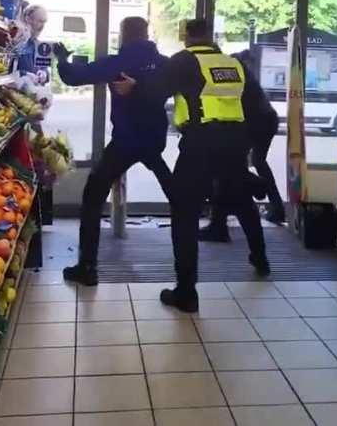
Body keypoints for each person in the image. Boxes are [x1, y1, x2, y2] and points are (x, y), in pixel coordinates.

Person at [114, 18, 270, 313]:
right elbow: (253, 105)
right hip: (235, 143)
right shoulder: (233, 64)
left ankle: (186, 291)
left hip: (200, 144)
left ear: (187, 37)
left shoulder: (184, 61)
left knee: (184, 213)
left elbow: (155, 91)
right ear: (210, 36)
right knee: (241, 199)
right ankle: (260, 258)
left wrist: (134, 86)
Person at [54, 16, 172, 286]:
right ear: (147, 34)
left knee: (94, 194)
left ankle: (88, 267)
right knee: (176, 194)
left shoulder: (118, 62)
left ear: (123, 35)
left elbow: (73, 76)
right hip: (154, 141)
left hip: (125, 143)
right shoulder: (166, 63)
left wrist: (62, 58)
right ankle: (186, 269)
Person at [199, 64, 285, 243]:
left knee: (228, 170)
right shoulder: (241, 69)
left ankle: (255, 187)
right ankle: (275, 206)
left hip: (254, 122)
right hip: (267, 118)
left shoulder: (226, 71)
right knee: (254, 163)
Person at [17, 4, 49, 82]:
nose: (43, 26)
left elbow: (45, 69)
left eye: (44, 22)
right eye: (40, 21)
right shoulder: (16, 42)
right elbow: (7, 70)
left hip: (33, 91)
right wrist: (24, 74)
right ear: (28, 19)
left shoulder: (41, 46)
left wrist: (44, 73)